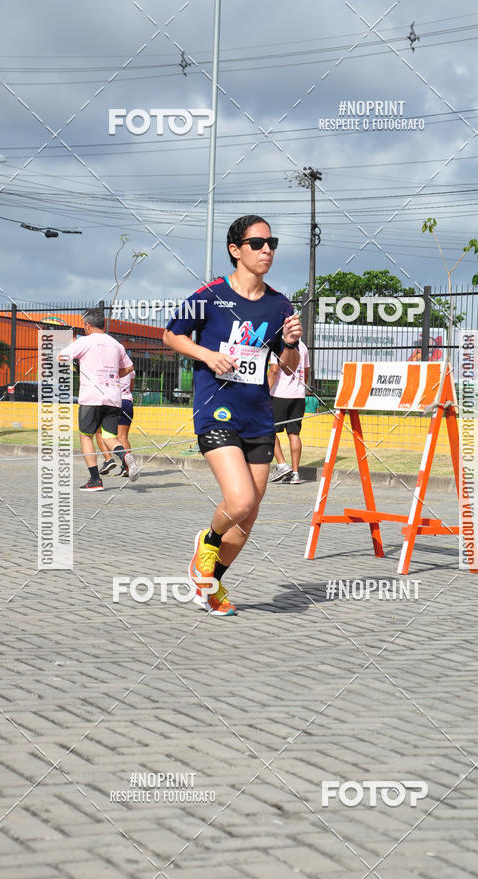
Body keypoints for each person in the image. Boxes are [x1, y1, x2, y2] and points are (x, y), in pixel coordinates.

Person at [163, 214, 302, 616]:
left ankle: (210, 585)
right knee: (238, 501)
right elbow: (171, 335)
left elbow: (288, 366)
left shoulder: (279, 304)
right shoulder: (211, 295)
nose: (266, 250)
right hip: (216, 410)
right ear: (235, 249)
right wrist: (207, 354)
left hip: (258, 416)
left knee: (248, 514)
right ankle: (206, 543)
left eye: (271, 243)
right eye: (257, 244)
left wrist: (290, 342)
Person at [58, 309, 140, 491]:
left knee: (86, 436)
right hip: (113, 397)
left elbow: (61, 357)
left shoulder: (84, 342)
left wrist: (71, 352)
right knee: (110, 437)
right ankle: (124, 456)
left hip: (91, 398)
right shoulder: (116, 344)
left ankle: (95, 480)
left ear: (87, 325)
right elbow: (129, 366)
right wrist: (115, 376)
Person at [268, 338, 310, 484]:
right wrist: (302, 387)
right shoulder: (303, 346)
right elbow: (306, 370)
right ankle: (296, 473)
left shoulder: (278, 345)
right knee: (294, 433)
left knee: (268, 430)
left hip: (280, 394)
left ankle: (282, 464)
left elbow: (274, 370)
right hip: (298, 395)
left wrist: (265, 392)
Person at [95, 369, 135, 476]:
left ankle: (108, 459)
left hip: (110, 401)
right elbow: (131, 387)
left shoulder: (107, 366)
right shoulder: (129, 367)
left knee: (99, 431)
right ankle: (127, 466)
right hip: (126, 401)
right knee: (123, 437)